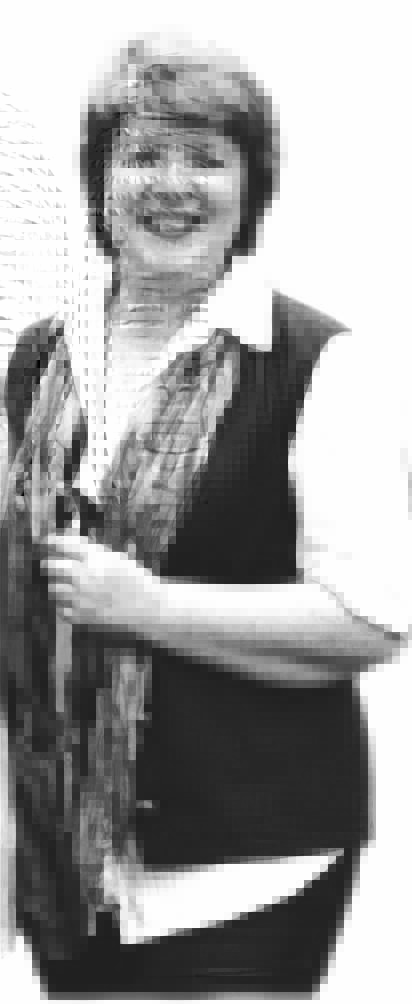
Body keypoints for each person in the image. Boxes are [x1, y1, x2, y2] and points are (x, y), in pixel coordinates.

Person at [0, 36, 409, 998]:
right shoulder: (43, 358)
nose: (172, 185)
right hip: (70, 867)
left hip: (248, 870)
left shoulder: (318, 365)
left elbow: (371, 619)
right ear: (101, 181)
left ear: (251, 188)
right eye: (143, 155)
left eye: (207, 158)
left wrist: (147, 607)